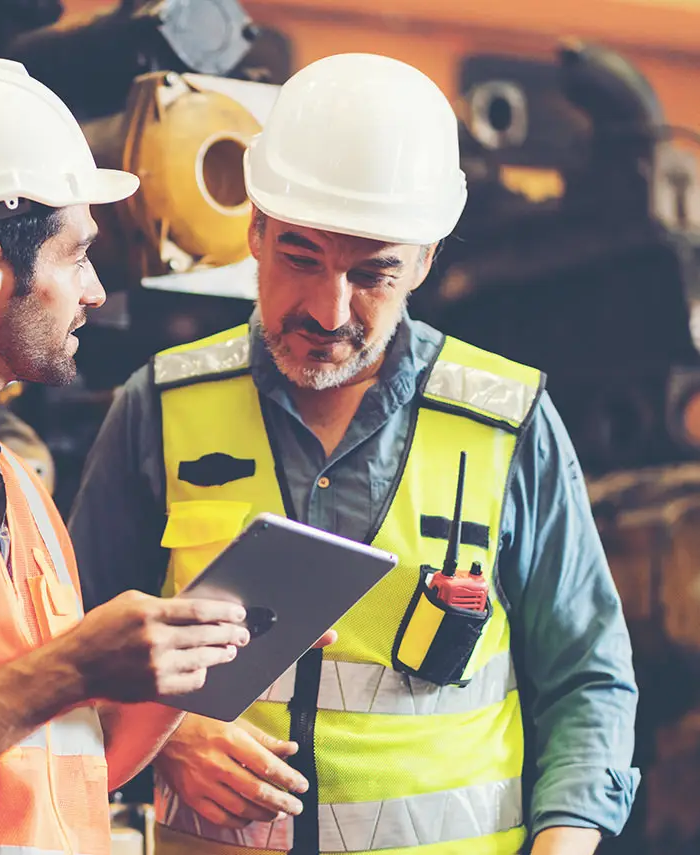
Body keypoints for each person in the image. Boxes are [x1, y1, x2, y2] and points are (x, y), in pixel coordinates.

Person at [69, 53, 640, 855]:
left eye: (372, 272)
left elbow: (590, 679)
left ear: (425, 262)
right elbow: (66, 658)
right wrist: (161, 740)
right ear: (256, 228)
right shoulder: (158, 408)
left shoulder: (509, 423)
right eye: (300, 256)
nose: (328, 310)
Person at [0, 56, 315, 855]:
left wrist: (199, 662)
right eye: (76, 253)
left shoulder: (17, 484)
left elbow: (76, 759)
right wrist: (73, 667)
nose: (93, 290)